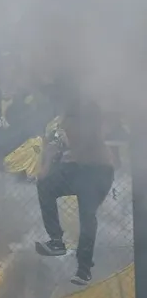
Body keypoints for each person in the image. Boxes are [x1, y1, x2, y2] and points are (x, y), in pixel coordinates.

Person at [34, 100, 115, 285]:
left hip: (98, 172)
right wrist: (46, 168)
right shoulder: (61, 125)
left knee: (87, 216)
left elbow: (86, 142)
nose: (63, 123)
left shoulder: (90, 120)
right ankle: (56, 241)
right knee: (45, 185)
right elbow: (52, 150)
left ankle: (84, 268)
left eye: (66, 119)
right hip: (77, 169)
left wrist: (66, 146)